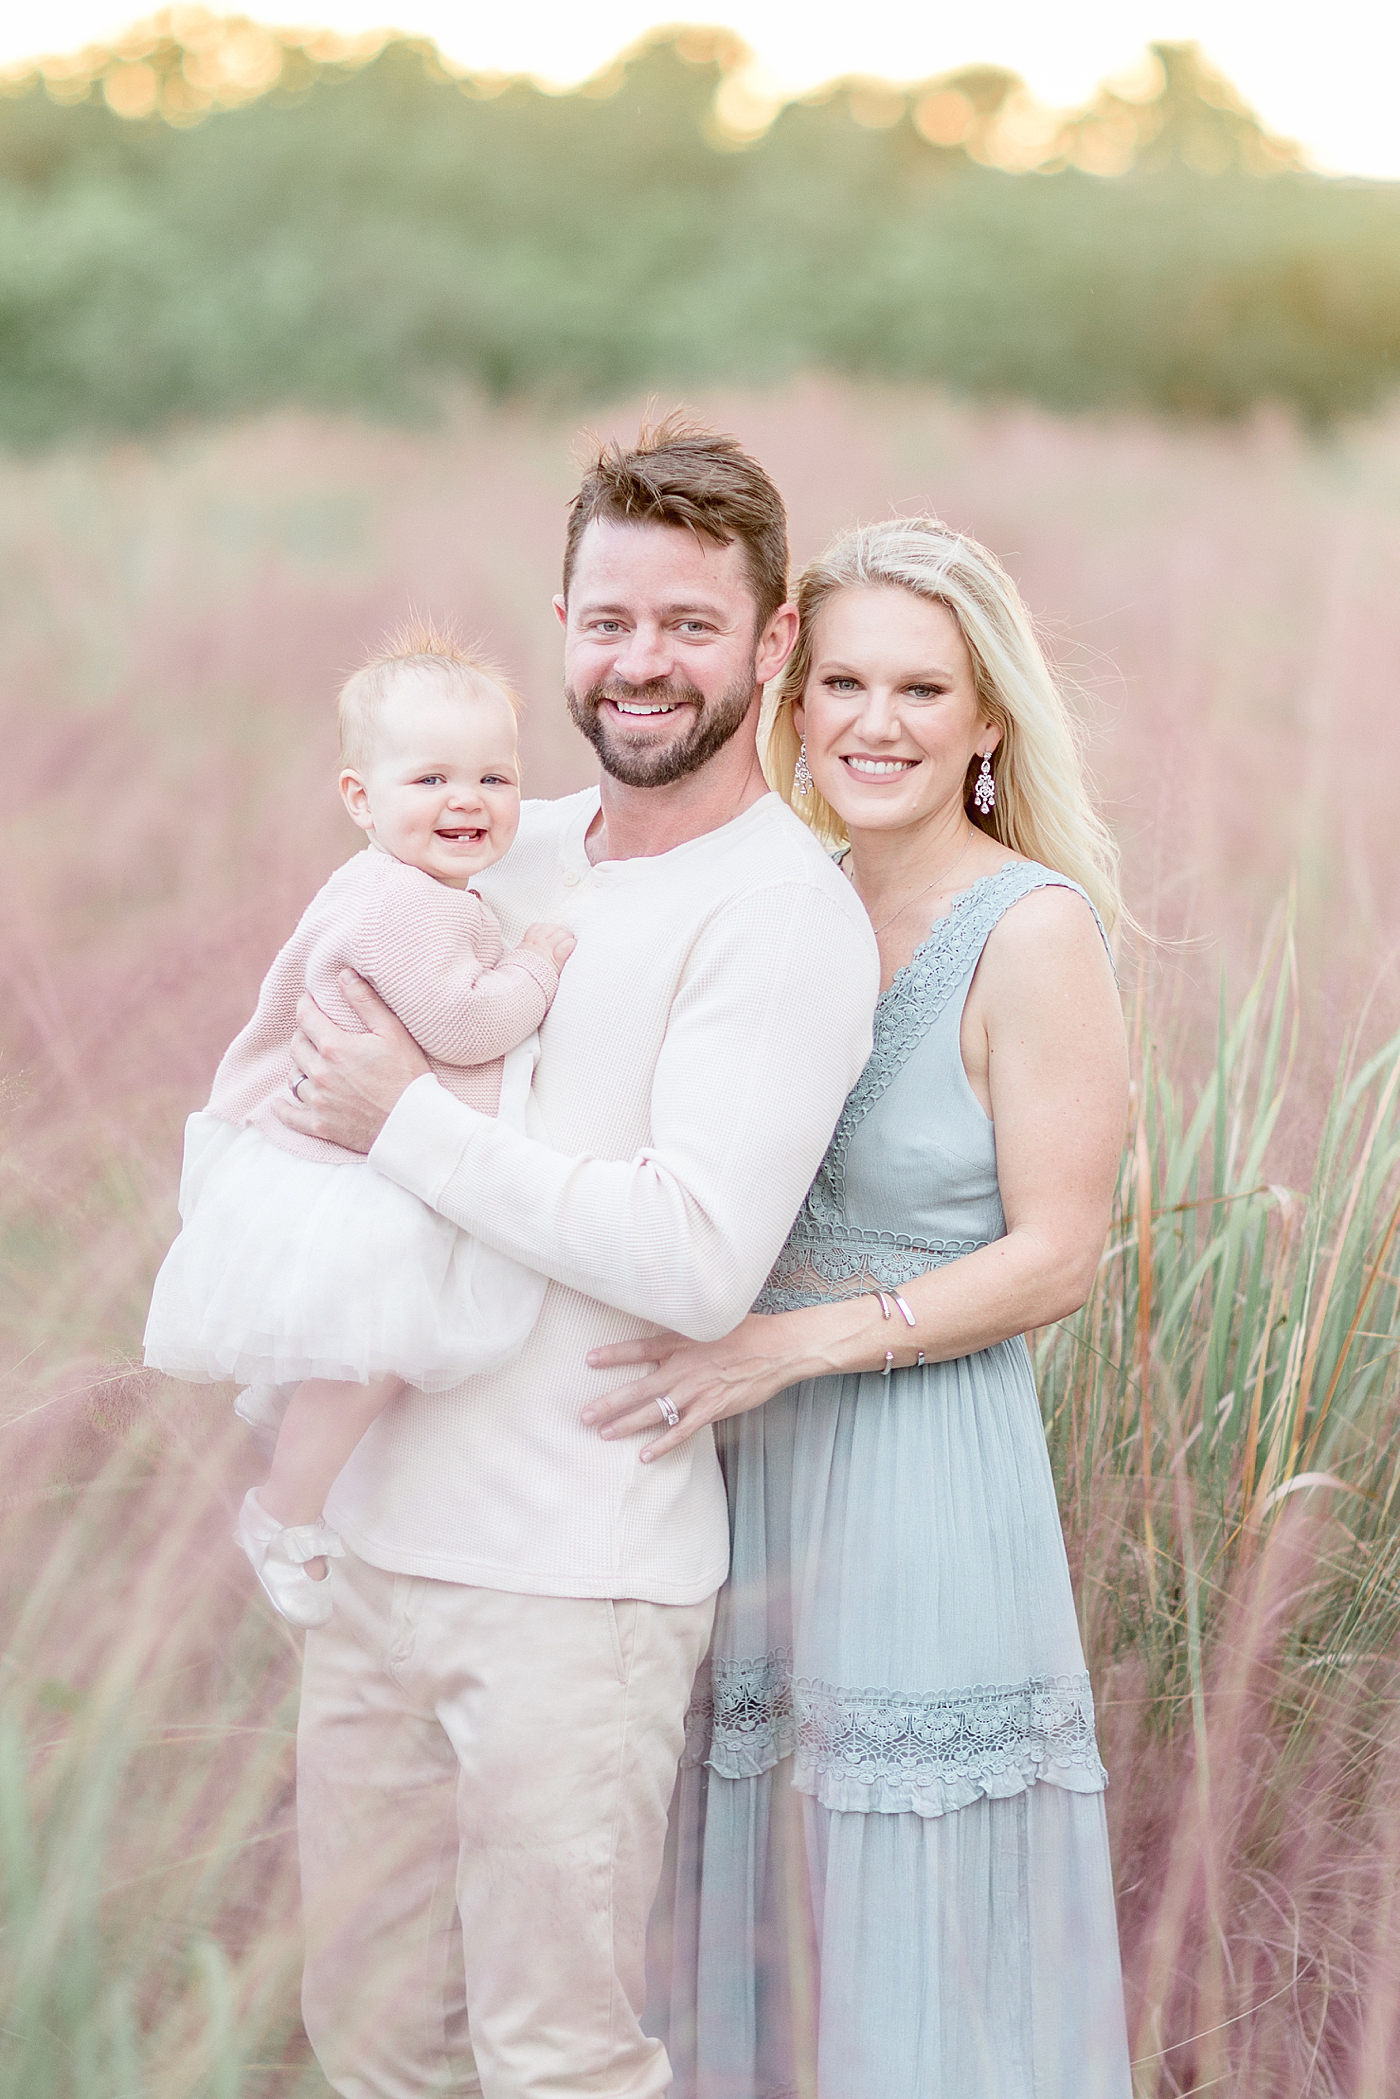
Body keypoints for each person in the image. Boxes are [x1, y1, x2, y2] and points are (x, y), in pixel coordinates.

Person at [265, 417, 881, 2097]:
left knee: (560, 2058)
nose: (640, 660)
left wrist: (406, 1116)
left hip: (576, 1582)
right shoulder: (484, 844)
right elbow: (302, 1093)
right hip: (375, 1548)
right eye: (608, 618)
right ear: (560, 627)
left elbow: (692, 1254)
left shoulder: (787, 913)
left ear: (770, 645)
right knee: (373, 2034)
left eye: (690, 623)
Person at [586, 517, 1135, 2097]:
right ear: (790, 694)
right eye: (843, 680)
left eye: (920, 687)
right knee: (754, 1898)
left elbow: (1061, 1252)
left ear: (985, 721)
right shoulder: (783, 902)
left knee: (908, 1908)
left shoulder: (1030, 931)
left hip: (923, 1482)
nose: (876, 721)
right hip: (746, 1485)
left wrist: (795, 1340)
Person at [143, 629, 575, 1625]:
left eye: (494, 777)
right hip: (358, 1178)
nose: (465, 800)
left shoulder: (386, 884)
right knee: (372, 1354)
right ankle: (282, 1510)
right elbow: (468, 1022)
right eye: (429, 777)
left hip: (325, 1166)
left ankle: (294, 1469)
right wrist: (540, 962)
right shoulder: (409, 908)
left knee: (357, 1357)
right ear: (359, 798)